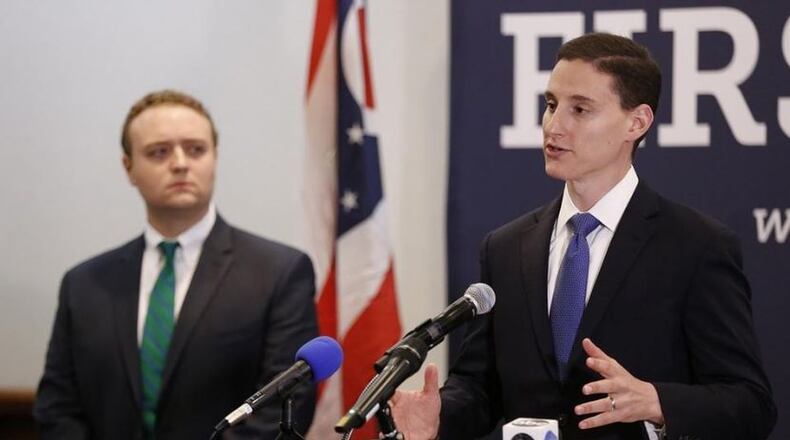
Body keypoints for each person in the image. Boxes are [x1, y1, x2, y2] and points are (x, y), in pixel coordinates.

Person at [390, 33, 776, 440]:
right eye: (552, 105)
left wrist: (656, 402)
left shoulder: (695, 247)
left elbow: (751, 404)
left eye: (580, 109)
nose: (554, 126)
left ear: (637, 122)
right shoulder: (505, 248)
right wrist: (439, 418)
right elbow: (480, 389)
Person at [34, 90, 319, 439]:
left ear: (215, 157)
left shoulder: (279, 273)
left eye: (196, 149)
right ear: (129, 168)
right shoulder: (83, 284)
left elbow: (285, 405)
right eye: (159, 152)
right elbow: (57, 407)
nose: (181, 163)